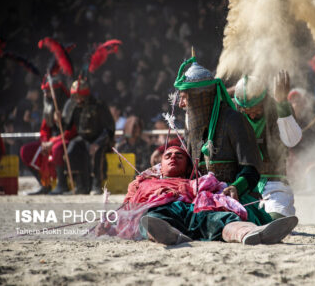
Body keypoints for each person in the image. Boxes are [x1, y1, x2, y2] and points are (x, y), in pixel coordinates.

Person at [97, 146, 298, 245]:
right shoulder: (143, 182)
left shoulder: (201, 182)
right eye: (168, 156)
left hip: (197, 209)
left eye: (179, 155)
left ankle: (250, 233)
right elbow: (127, 208)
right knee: (152, 218)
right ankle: (172, 236)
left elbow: (219, 193)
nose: (173, 157)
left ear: (188, 165)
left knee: (221, 217)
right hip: (162, 211)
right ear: (161, 166)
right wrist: (109, 224)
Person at [175, 56, 291, 226]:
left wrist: (236, 187)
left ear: (200, 97)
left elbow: (250, 170)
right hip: (202, 197)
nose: (180, 104)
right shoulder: (192, 126)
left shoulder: (233, 120)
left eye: (185, 97)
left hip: (236, 196)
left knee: (228, 220)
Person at [233, 72, 302, 219]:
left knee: (275, 217)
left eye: (256, 110)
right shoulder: (233, 112)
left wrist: (282, 103)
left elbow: (292, 140)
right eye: (247, 111)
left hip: (274, 184)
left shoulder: (279, 107)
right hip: (243, 184)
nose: (251, 115)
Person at [19, 76, 74, 194]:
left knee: (57, 148)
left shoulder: (69, 106)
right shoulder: (48, 107)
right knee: (26, 151)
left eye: (48, 91)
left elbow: (72, 131)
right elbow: (44, 130)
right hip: (49, 141)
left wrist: (53, 141)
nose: (45, 94)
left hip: (65, 139)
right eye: (44, 91)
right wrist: (44, 142)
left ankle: (62, 184)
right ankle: (44, 184)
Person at [62, 78, 115, 194]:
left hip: (100, 138)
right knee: (71, 149)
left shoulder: (99, 105)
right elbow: (67, 126)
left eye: (79, 96)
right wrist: (59, 119)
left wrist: (97, 143)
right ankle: (80, 185)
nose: (77, 99)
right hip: (83, 138)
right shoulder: (75, 107)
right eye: (75, 97)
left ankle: (96, 185)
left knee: (96, 153)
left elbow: (109, 128)